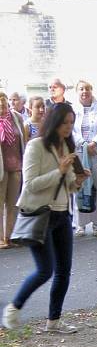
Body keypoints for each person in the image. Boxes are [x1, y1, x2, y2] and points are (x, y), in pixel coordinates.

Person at [2, 103, 89, 332]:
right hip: (40, 213)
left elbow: (68, 186)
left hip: (62, 214)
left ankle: (54, 321)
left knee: (64, 270)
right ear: (54, 122)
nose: (68, 128)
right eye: (64, 123)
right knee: (44, 270)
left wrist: (77, 181)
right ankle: (14, 307)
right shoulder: (36, 146)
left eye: (71, 123)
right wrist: (59, 171)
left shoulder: (66, 146)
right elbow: (30, 185)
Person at [72, 81, 97, 237]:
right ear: (77, 91)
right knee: (79, 187)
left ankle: (96, 223)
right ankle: (81, 224)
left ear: (92, 90)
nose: (85, 91)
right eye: (81, 89)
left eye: (87, 88)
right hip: (80, 152)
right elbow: (72, 130)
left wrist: (94, 143)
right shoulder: (73, 109)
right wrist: (83, 144)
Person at [0, 92, 28, 248]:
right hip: (0, 168)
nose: (2, 107)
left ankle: (9, 236)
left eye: (4, 103)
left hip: (16, 166)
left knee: (13, 203)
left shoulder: (17, 117)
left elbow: (23, 140)